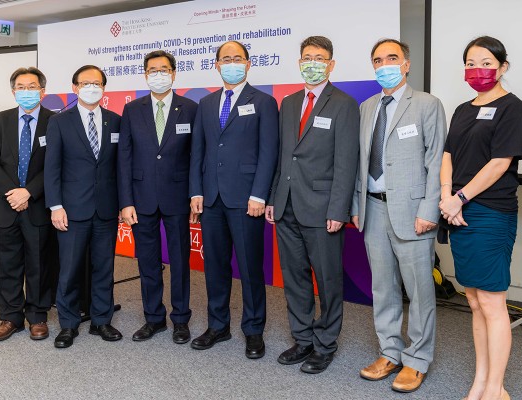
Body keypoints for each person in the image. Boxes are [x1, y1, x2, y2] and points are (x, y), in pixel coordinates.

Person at [351, 38, 446, 393]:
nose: (384, 64)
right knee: (383, 287)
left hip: (413, 211)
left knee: (420, 291)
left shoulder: (426, 104)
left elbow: (436, 161)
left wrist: (429, 209)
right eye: (377, 60)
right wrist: (357, 206)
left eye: (392, 58)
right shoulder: (366, 107)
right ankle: (389, 351)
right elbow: (361, 161)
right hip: (373, 208)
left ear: (406, 64)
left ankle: (417, 360)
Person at [439, 36, 522, 400]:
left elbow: (500, 163)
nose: (479, 70)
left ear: (503, 67)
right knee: (473, 299)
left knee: (492, 302)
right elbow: (448, 154)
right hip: (457, 210)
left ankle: (496, 388)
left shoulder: (512, 107)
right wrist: (446, 195)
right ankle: (479, 380)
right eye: (472, 63)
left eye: (487, 63)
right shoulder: (462, 109)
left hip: (490, 211)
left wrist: (459, 197)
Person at [265, 35, 359, 374]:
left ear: (331, 64)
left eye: (319, 58)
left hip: (323, 209)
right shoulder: (288, 102)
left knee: (328, 279)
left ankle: (325, 344)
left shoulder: (344, 103)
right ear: (299, 61)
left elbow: (347, 162)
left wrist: (338, 209)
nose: (312, 63)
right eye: (307, 57)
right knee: (294, 277)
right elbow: (282, 156)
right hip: (287, 204)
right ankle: (302, 339)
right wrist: (275, 196)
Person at [189, 41, 279, 358]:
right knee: (214, 266)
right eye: (225, 59)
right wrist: (196, 191)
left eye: (237, 58)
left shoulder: (264, 102)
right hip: (211, 198)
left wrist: (259, 193)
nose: (231, 63)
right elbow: (198, 151)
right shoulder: (206, 103)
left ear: (248, 64)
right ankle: (218, 326)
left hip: (246, 199)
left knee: (251, 268)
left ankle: (253, 330)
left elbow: (269, 152)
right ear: (216, 65)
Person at [118, 50, 197, 344]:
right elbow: (124, 156)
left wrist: (194, 194)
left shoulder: (190, 107)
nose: (159, 74)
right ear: (145, 75)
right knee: (147, 262)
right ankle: (153, 318)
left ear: (174, 74)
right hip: (141, 199)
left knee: (179, 261)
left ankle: (180, 319)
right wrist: (125, 201)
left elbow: (196, 155)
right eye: (153, 70)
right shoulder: (132, 109)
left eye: (164, 69)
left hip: (178, 197)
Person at [44, 65, 123, 348]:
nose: (92, 87)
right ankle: (68, 324)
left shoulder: (115, 121)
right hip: (72, 209)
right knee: (70, 269)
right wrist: (56, 206)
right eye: (86, 83)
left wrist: (124, 204)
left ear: (104, 88)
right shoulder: (60, 122)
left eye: (97, 83)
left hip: (105, 209)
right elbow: (51, 168)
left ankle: (101, 320)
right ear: (75, 88)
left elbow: (120, 168)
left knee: (104, 267)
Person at [0, 67, 56, 342]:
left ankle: (37, 316)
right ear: (14, 91)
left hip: (37, 205)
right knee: (8, 263)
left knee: (39, 263)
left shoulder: (55, 121)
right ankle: (10, 317)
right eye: (21, 87)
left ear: (43, 90)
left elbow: (54, 164)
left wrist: (29, 192)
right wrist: (13, 193)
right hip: (6, 205)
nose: (27, 91)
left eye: (32, 86)